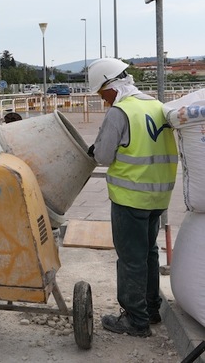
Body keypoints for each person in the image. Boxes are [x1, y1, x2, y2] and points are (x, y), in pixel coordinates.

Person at [88, 58, 178, 337]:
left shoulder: (120, 111)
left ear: (111, 87)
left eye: (102, 95)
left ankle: (135, 321)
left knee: (131, 258)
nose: (103, 101)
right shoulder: (155, 104)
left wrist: (96, 149)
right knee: (149, 252)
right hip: (159, 196)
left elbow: (103, 156)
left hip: (131, 197)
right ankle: (151, 310)